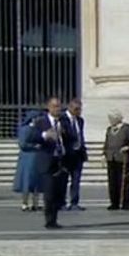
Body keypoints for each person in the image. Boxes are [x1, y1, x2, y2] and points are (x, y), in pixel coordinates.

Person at [35, 97, 78, 230]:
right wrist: (44, 135)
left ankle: (55, 218)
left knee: (58, 193)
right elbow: (32, 137)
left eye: (59, 106)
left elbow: (73, 137)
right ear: (49, 107)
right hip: (48, 161)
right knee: (49, 192)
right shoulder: (41, 122)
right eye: (54, 106)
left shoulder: (64, 122)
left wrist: (65, 133)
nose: (57, 109)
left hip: (61, 161)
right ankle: (49, 220)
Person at [13, 108, 47, 212]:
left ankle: (35, 203)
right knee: (27, 180)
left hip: (36, 157)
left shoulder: (38, 129)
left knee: (36, 181)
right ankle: (25, 203)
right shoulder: (25, 129)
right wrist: (34, 146)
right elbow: (22, 144)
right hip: (27, 158)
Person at [103, 111, 129, 211]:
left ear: (117, 118)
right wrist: (104, 154)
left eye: (112, 118)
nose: (110, 121)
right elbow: (106, 143)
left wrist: (127, 148)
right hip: (111, 158)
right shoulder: (109, 129)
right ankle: (114, 202)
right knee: (112, 181)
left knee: (123, 181)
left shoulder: (126, 128)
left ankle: (126, 202)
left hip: (122, 159)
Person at [63, 98, 88, 210]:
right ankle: (61, 202)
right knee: (63, 180)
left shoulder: (80, 120)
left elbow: (80, 135)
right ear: (70, 108)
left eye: (80, 109)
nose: (78, 111)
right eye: (76, 109)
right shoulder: (62, 119)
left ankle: (74, 202)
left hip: (78, 155)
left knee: (76, 180)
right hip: (66, 155)